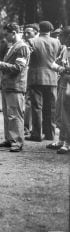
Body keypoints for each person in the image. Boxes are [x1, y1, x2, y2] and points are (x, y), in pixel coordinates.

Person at [0, 23, 31, 152]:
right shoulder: (13, 46)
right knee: (8, 114)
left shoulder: (22, 47)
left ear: (14, 33)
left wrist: (0, 64)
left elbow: (18, 68)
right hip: (8, 85)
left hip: (16, 85)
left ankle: (17, 142)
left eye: (7, 34)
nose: (5, 37)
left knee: (15, 115)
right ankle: (10, 139)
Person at [25, 21, 61, 142]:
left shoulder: (32, 41)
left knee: (37, 107)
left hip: (36, 77)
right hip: (52, 77)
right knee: (51, 107)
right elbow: (58, 59)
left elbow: (27, 58)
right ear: (50, 30)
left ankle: (36, 134)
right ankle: (50, 134)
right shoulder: (57, 42)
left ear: (39, 29)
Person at [46, 26, 70, 154]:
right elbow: (56, 63)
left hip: (69, 83)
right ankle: (61, 140)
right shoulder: (65, 49)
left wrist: (62, 68)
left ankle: (67, 143)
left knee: (67, 113)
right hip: (63, 82)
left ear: (68, 37)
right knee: (60, 112)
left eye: (61, 36)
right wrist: (61, 68)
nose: (59, 38)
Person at [23, 23, 39, 136]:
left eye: (28, 32)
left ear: (36, 33)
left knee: (29, 101)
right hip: (45, 77)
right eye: (25, 32)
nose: (26, 34)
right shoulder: (50, 41)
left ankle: (27, 127)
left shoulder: (29, 43)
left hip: (32, 76)